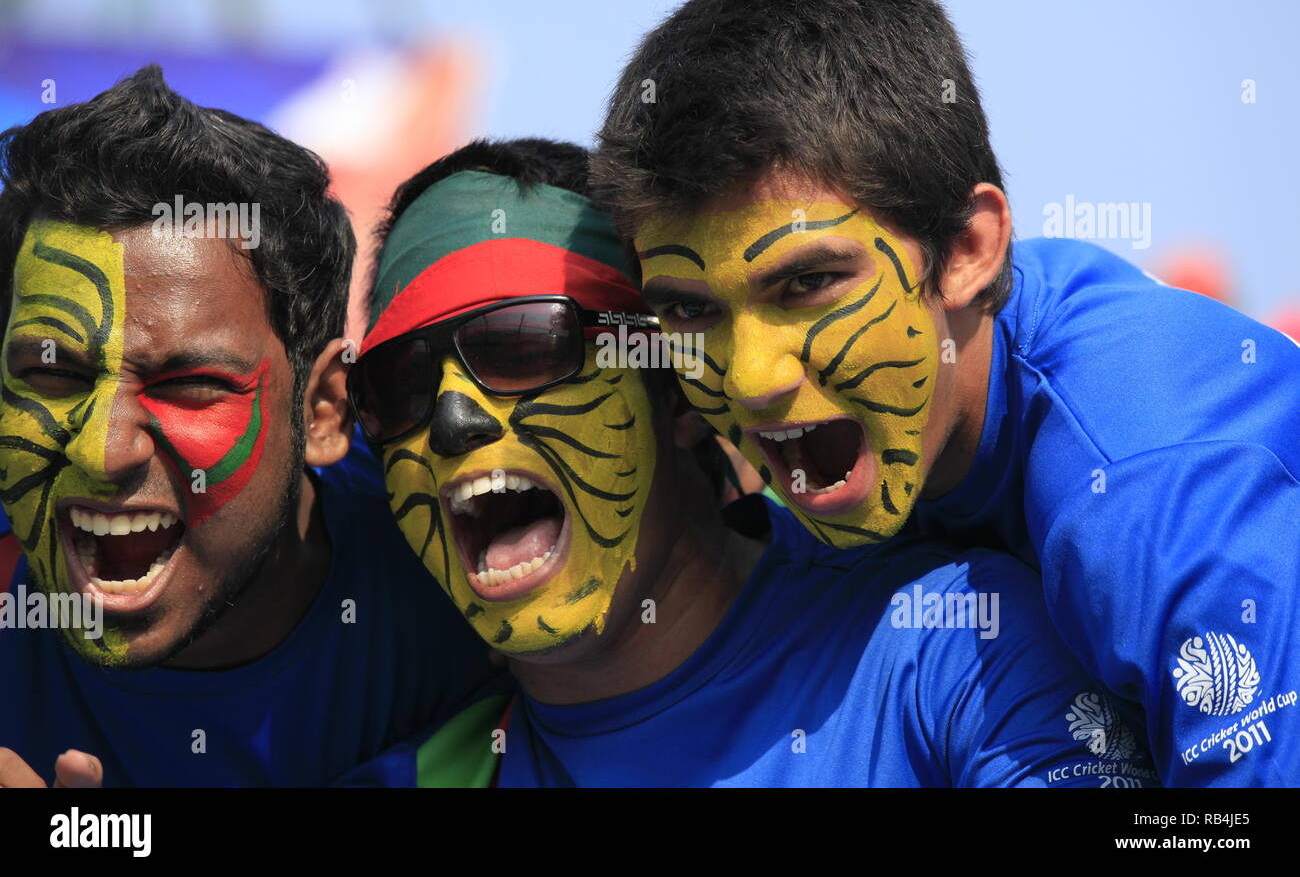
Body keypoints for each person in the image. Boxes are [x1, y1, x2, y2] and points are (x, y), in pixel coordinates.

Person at [590, 0, 1300, 785]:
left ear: (968, 249)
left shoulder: (1153, 486)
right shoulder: (911, 395)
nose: (752, 379)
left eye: (809, 283)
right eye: (689, 309)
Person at [346, 136, 1159, 787]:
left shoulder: (955, 652)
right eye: (401, 382)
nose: (452, 420)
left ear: (680, 393)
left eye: (524, 344)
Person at [0, 66, 506, 787]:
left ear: (325, 409)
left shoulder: (469, 576)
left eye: (190, 385)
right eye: (53, 375)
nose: (103, 450)